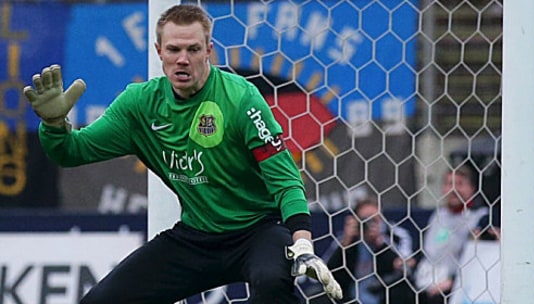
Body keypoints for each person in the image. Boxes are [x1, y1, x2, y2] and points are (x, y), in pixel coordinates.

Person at [22, 4, 342, 304]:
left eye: (193, 49)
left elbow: (285, 179)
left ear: (209, 51)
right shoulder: (139, 105)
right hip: (195, 239)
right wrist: (53, 124)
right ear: (159, 52)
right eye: (174, 50)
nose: (183, 59)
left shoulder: (242, 99)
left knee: (272, 282)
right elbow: (71, 152)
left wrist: (302, 241)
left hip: (258, 232)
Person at [414, 166, 488, 304]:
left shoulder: (480, 217)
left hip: (460, 284)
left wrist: (453, 280)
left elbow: (476, 260)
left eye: (460, 184)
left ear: (472, 188)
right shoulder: (437, 216)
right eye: (449, 184)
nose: (454, 189)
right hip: (427, 280)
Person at [324, 197, 416, 304]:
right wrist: (346, 245)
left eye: (374, 220)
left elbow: (406, 266)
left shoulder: (396, 236)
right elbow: (327, 273)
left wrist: (379, 244)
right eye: (365, 220)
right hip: (350, 297)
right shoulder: (345, 240)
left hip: (385, 295)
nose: (369, 224)